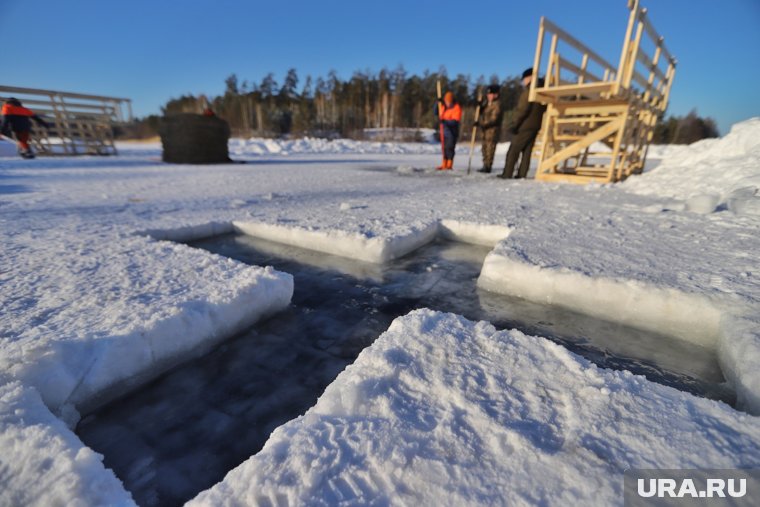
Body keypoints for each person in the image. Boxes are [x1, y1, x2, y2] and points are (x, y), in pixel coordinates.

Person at [500, 68, 546, 179]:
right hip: (536, 125)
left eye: (524, 79)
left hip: (525, 125)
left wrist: (515, 124)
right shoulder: (542, 90)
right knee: (527, 151)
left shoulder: (529, 91)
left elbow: (522, 109)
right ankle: (522, 174)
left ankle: (507, 173)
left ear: (529, 77)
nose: (523, 82)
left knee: (513, 151)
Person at [476, 84, 503, 173]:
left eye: (491, 94)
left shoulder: (497, 105)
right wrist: (480, 107)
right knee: (484, 147)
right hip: (485, 131)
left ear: (496, 94)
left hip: (492, 131)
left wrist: (482, 124)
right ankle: (485, 164)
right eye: (488, 94)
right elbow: (482, 113)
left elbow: (494, 119)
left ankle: (488, 166)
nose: (489, 96)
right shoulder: (487, 104)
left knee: (490, 148)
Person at [435, 91, 462, 170]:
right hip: (444, 132)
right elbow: (436, 112)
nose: (447, 103)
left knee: (450, 148)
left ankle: (449, 164)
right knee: (444, 148)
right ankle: (444, 164)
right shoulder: (443, 107)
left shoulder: (456, 108)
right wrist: (437, 103)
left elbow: (455, 121)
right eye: (446, 101)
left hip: (452, 133)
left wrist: (444, 121)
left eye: (449, 102)